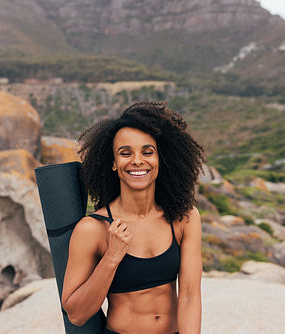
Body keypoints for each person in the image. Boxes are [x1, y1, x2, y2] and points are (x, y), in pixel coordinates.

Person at [61, 101, 204, 334]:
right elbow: (76, 315)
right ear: (114, 164)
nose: (137, 160)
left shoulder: (184, 218)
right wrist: (111, 257)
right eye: (125, 153)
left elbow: (189, 296)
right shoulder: (92, 229)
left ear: (160, 160)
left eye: (147, 152)